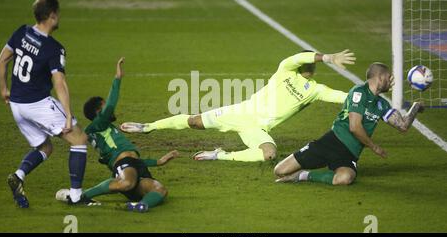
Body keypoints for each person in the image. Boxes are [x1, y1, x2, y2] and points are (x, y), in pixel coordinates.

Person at [121, 50, 355, 162]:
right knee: (194, 121)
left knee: (269, 154)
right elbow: (297, 58)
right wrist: (328, 57)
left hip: (257, 128)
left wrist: (372, 92)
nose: (306, 62)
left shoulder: (316, 90)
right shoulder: (285, 68)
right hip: (240, 112)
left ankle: (219, 155)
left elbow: (344, 97)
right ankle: (147, 126)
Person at [0, 0, 88, 207]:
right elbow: (60, 84)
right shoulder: (53, 48)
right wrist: (67, 116)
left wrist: (3, 90)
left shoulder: (21, 32)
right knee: (79, 139)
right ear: (52, 16)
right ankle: (76, 196)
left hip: (17, 106)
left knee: (45, 147)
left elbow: (1, 60)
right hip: (37, 105)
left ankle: (18, 176)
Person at [274, 62, 423, 185]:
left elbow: (403, 126)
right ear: (381, 77)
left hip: (349, 154)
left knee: (345, 178)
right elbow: (354, 127)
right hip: (331, 142)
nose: (391, 82)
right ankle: (309, 165)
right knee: (280, 170)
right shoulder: (359, 92)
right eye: (389, 78)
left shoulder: (382, 104)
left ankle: (303, 175)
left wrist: (415, 107)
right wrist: (374, 147)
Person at [63, 57, 179, 212]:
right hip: (124, 166)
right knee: (126, 183)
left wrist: (158, 162)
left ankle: (139, 206)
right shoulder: (97, 126)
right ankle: (80, 196)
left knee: (160, 190)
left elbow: (132, 158)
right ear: (99, 112)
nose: (110, 110)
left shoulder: (106, 128)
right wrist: (117, 79)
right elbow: (111, 105)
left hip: (137, 166)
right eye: (104, 108)